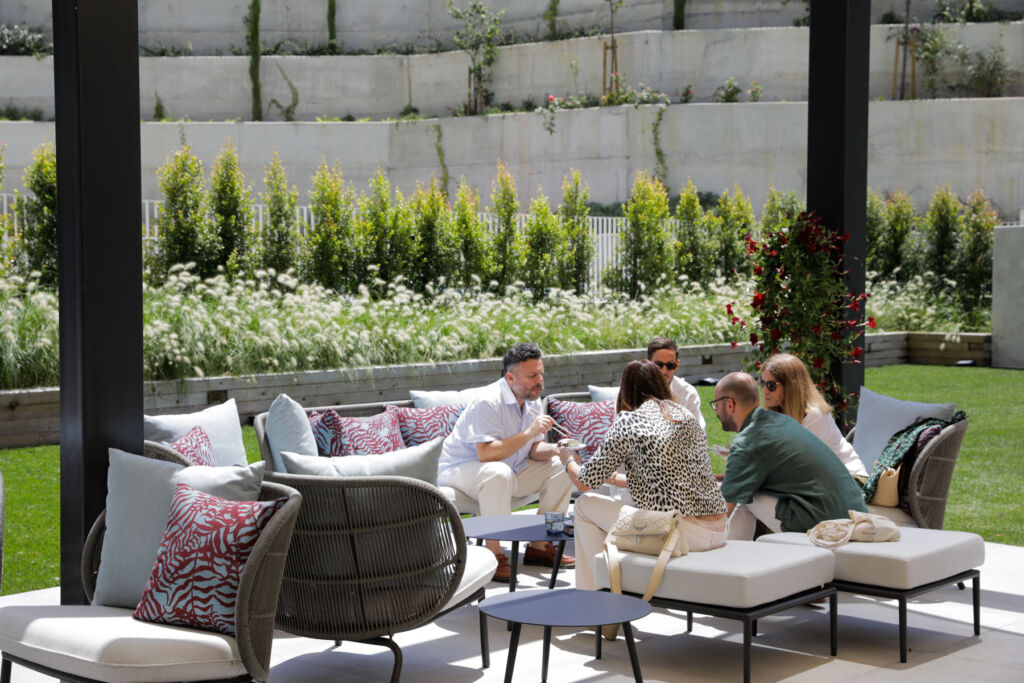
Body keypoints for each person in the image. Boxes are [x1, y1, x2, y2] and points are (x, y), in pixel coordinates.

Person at [564, 360, 727, 591]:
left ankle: (594, 596)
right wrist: (610, 477)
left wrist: (567, 459)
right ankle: (616, 581)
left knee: (584, 505)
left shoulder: (629, 420)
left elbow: (584, 482)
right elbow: (661, 479)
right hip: (718, 528)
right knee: (611, 510)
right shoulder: (685, 416)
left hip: (680, 534)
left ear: (626, 389)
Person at [438, 342, 575, 582]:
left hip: (507, 469)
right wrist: (529, 432)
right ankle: (495, 551)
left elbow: (533, 450)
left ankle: (542, 542)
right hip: (462, 470)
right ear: (510, 378)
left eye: (540, 373)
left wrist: (558, 449)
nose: (539, 380)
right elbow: (486, 454)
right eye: (531, 375)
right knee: (497, 472)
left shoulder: (531, 396)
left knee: (561, 468)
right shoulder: (488, 401)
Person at [711, 372, 868, 540]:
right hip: (857, 514)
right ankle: (736, 558)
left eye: (716, 405)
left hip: (828, 524)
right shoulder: (781, 421)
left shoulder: (747, 442)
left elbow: (721, 513)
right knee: (745, 493)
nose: (716, 412)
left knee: (746, 498)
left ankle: (731, 561)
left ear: (729, 404)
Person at [760, 353, 867, 477]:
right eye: (763, 383)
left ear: (791, 386)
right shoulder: (778, 413)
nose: (764, 391)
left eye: (771, 386)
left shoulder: (815, 416)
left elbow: (797, 465)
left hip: (849, 479)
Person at [647, 336, 706, 430]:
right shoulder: (636, 390)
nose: (664, 371)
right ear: (648, 364)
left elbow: (698, 431)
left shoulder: (688, 393)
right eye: (658, 365)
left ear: (677, 365)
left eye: (670, 365)